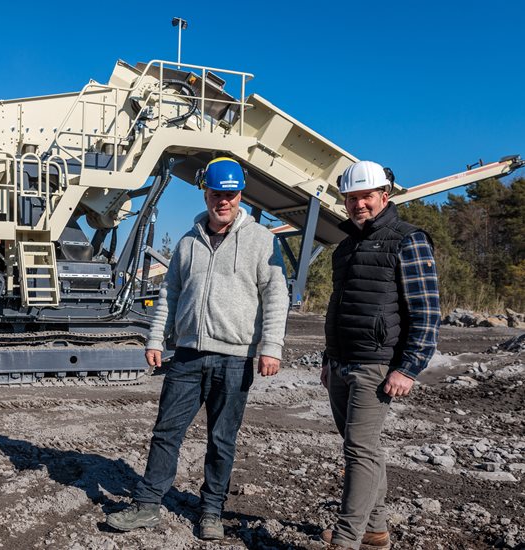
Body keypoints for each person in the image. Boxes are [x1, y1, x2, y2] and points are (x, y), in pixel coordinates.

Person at [105, 157, 289, 539]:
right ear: (206, 193)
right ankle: (147, 504)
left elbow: (276, 296)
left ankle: (210, 512)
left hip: (235, 358)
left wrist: (270, 346)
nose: (223, 201)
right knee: (166, 432)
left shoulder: (261, 241)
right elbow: (169, 294)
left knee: (222, 439)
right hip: (187, 354)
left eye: (231, 194)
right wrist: (156, 338)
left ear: (241, 195)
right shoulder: (189, 241)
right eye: (216, 194)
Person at [321, 160, 440, 550]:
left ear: (383, 196)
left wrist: (408, 368)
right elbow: (338, 306)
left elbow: (426, 310)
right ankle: (375, 530)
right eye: (351, 198)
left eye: (366, 196)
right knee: (365, 449)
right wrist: (328, 358)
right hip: (341, 363)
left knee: (358, 450)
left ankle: (345, 539)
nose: (359, 205)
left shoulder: (408, 239)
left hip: (376, 364)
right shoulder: (345, 248)